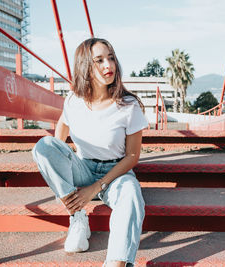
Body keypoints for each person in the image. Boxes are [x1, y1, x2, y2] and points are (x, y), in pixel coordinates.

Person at [32, 38, 148, 267]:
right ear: (86, 66)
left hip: (116, 173)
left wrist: (95, 188)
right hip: (83, 168)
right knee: (44, 147)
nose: (109, 65)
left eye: (111, 57)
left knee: (132, 194)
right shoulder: (74, 101)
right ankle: (77, 216)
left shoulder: (128, 105)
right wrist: (60, 166)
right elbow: (61, 129)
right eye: (100, 60)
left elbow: (133, 157)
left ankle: (116, 263)